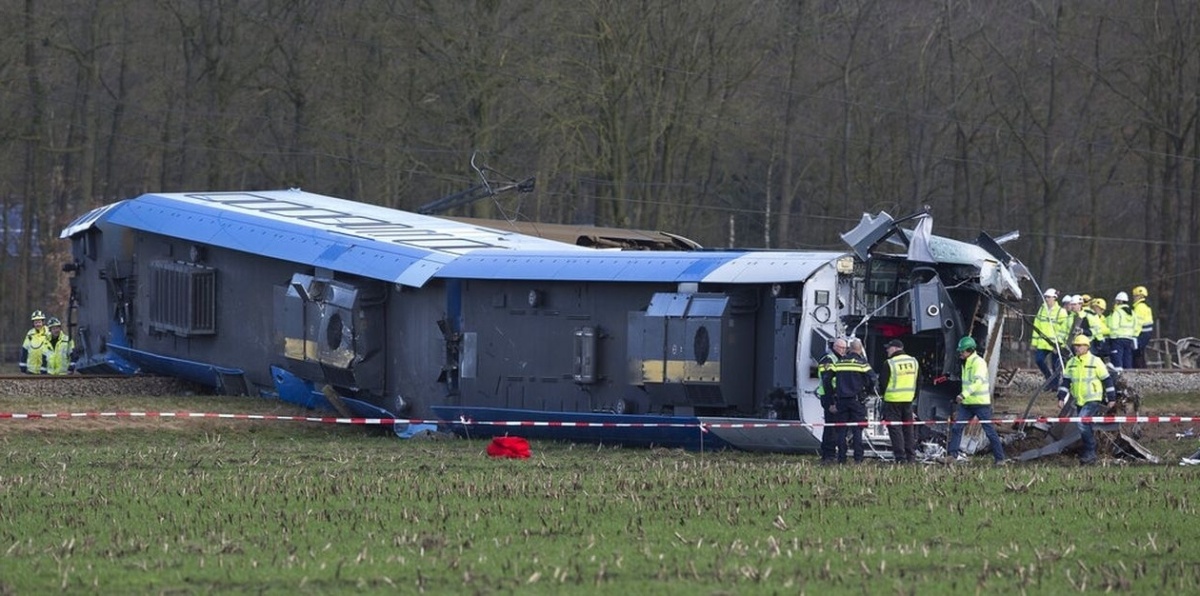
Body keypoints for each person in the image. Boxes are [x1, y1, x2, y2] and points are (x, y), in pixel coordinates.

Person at [946, 336, 1006, 465]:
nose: (960, 354)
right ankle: (952, 456)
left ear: (969, 350)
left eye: (962, 351)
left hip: (980, 403)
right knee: (957, 428)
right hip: (967, 403)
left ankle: (1000, 459)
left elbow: (977, 382)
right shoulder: (966, 363)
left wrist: (963, 395)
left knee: (989, 431)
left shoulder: (978, 362)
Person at [1057, 334, 1116, 465]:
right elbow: (1066, 382)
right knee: (1085, 425)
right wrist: (1061, 398)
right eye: (1075, 346)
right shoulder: (1071, 363)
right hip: (1079, 400)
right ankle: (1089, 453)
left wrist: (1111, 398)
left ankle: (1090, 451)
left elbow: (1107, 380)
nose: (1076, 348)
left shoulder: (1095, 361)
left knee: (1082, 423)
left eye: (1079, 345)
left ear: (1087, 347)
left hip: (1093, 399)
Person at [828, 337, 876, 463]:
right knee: (857, 430)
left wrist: (833, 394)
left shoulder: (839, 362)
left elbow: (827, 379)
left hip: (841, 400)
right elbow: (873, 379)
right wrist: (868, 391)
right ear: (860, 349)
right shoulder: (862, 363)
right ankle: (858, 459)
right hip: (857, 401)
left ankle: (841, 458)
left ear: (849, 349)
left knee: (841, 430)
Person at [882, 339, 918, 463]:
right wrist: (913, 396)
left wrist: (884, 397)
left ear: (895, 348)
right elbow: (919, 382)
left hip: (892, 401)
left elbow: (883, 384)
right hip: (908, 401)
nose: (887, 350)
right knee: (908, 429)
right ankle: (911, 457)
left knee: (895, 429)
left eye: (889, 348)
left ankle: (900, 458)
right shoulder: (914, 361)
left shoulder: (890, 363)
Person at [817, 337, 847, 464]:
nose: (844, 351)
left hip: (835, 396)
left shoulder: (838, 359)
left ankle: (829, 453)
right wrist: (830, 403)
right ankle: (828, 455)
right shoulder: (828, 359)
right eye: (842, 348)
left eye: (845, 348)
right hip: (829, 397)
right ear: (835, 347)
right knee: (831, 428)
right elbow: (827, 382)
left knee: (834, 427)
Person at [1031, 289, 1066, 387]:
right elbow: (1036, 326)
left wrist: (1059, 344)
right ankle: (1049, 379)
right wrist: (1034, 343)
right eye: (1045, 297)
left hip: (1055, 344)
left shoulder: (1061, 312)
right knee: (1039, 360)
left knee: (1056, 366)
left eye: (1049, 297)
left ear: (1054, 298)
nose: (1046, 299)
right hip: (1042, 343)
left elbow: (1064, 330)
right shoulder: (1042, 309)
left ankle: (1054, 385)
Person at [1108, 292, 1137, 369]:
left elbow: (1113, 326)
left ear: (1119, 301)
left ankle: (1118, 376)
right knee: (1127, 358)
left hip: (1118, 338)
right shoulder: (1133, 313)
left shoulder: (1117, 312)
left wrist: (1112, 338)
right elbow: (1136, 326)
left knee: (1117, 359)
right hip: (1129, 338)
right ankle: (1129, 375)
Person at [1131, 286, 1154, 368]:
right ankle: (1143, 370)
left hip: (1141, 334)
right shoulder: (1145, 306)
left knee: (1137, 353)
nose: (1133, 298)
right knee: (1141, 353)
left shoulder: (1139, 307)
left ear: (1140, 296)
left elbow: (1137, 324)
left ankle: (1140, 370)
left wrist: (1133, 336)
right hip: (1146, 333)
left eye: (1135, 296)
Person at [20, 310, 49, 374]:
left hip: (46, 371)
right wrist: (23, 366)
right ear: (33, 323)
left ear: (43, 322)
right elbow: (24, 350)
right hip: (31, 370)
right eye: (35, 322)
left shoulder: (49, 333)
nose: (37, 324)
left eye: (39, 322)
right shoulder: (30, 333)